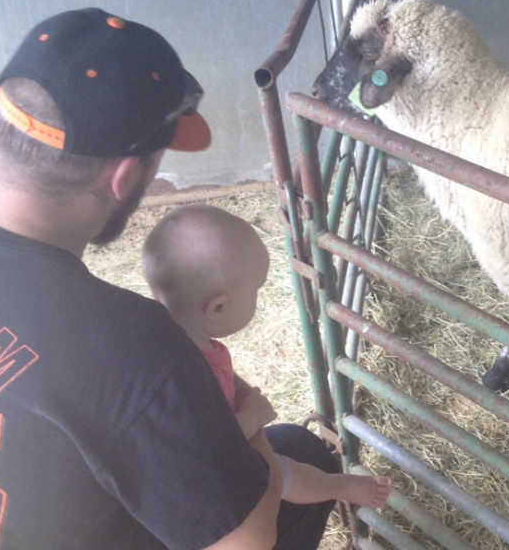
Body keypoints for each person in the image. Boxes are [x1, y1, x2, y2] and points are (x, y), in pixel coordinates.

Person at [0, 8, 368, 549]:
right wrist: (250, 432)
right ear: (126, 176)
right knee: (297, 451)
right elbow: (245, 546)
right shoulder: (130, 342)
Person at [141, 204, 391, 512]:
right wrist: (251, 417)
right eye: (257, 289)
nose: (259, 295)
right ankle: (340, 486)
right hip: (209, 491)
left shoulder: (159, 338)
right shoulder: (186, 376)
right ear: (218, 308)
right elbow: (204, 452)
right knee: (287, 473)